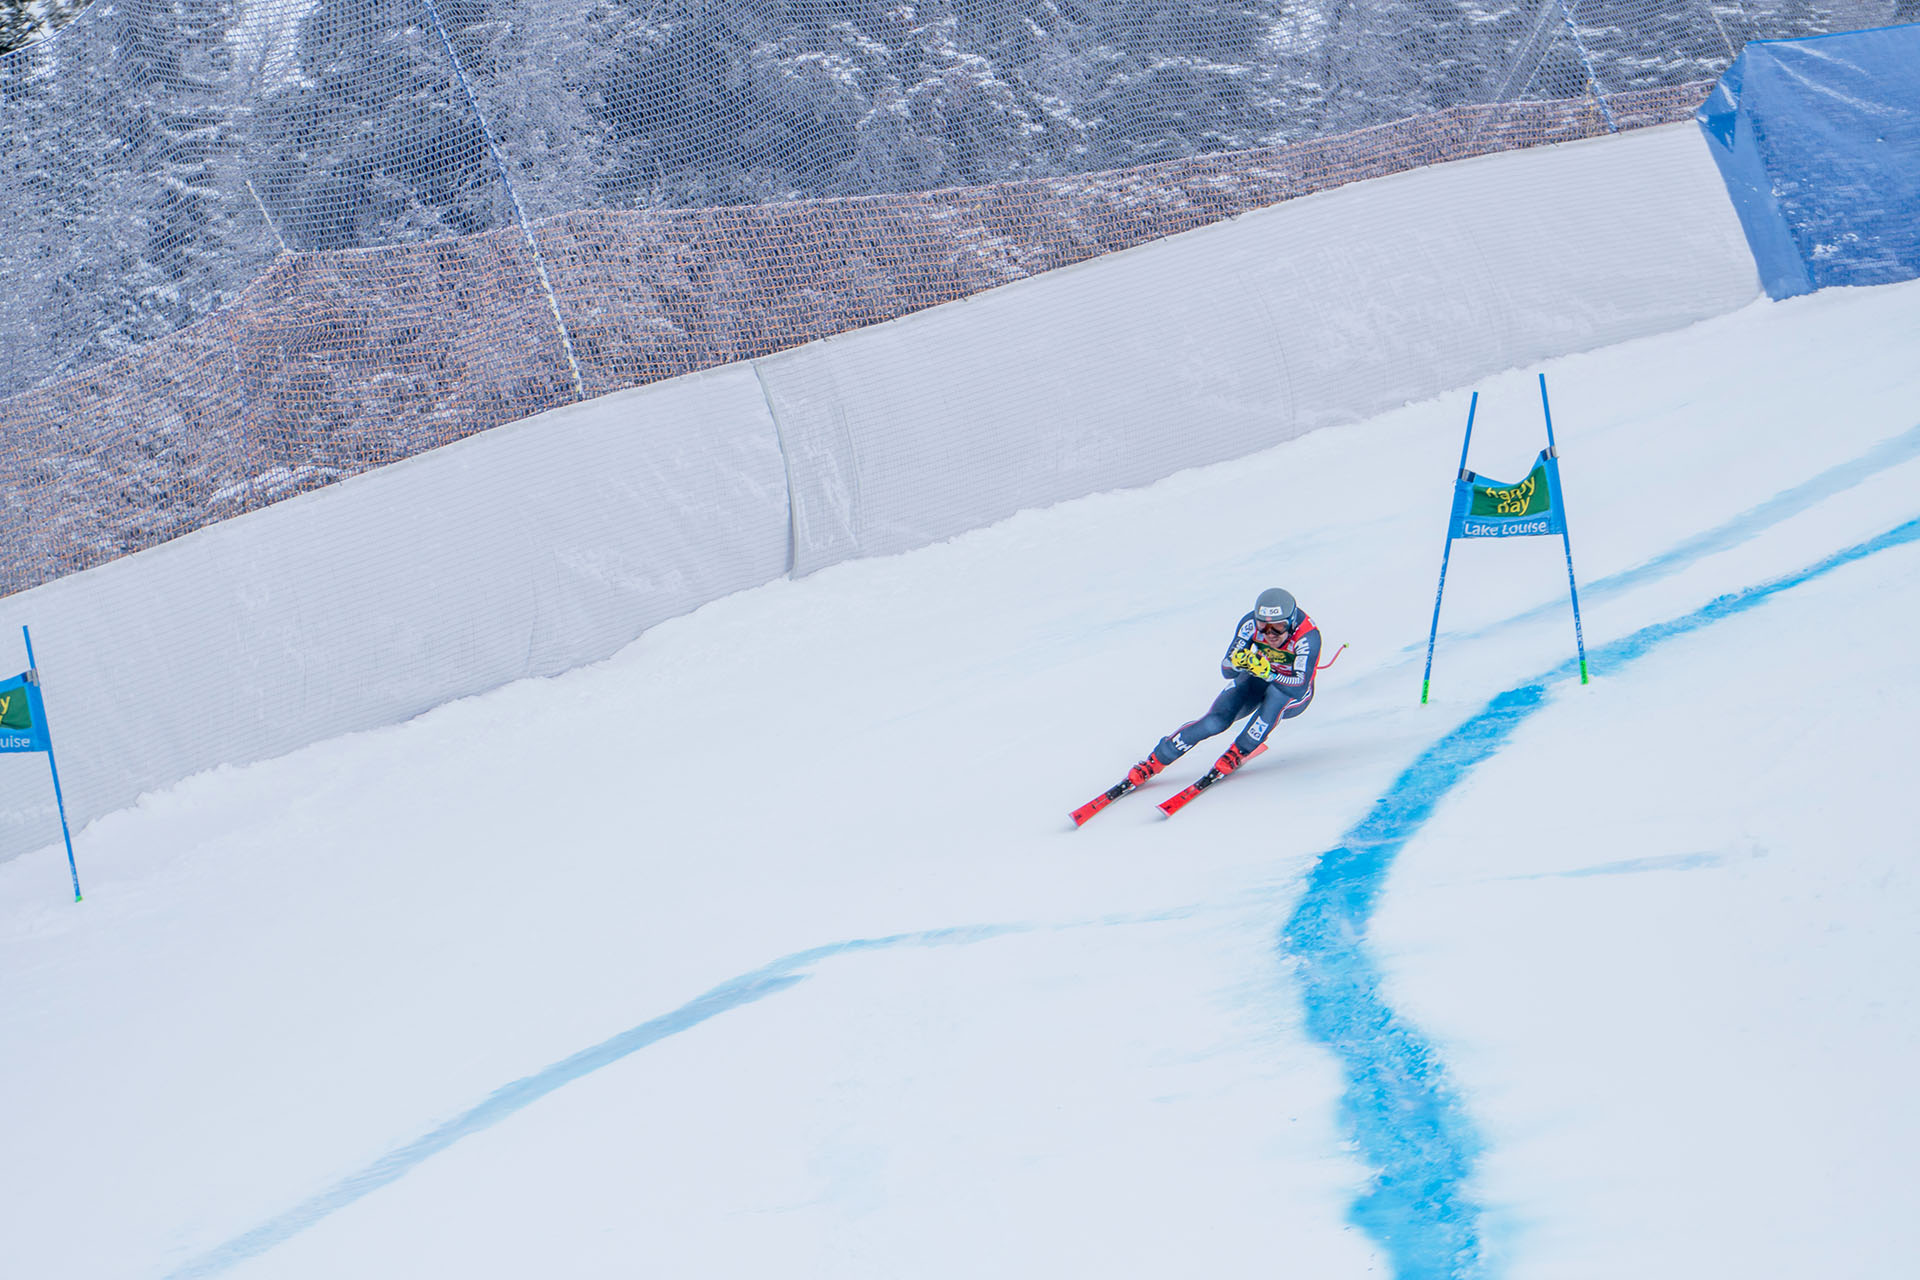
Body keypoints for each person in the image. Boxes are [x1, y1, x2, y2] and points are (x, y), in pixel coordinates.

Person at [1126, 587, 1321, 787]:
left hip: (1291, 690)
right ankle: (1157, 759)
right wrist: (1238, 662)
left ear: (1291, 622)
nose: (1270, 634)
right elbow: (1227, 670)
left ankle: (1240, 750)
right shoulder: (1249, 624)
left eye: (1279, 627)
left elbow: (1299, 687)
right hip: (1260, 676)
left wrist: (1270, 674)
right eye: (1263, 626)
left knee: (1273, 703)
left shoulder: (1308, 637)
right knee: (1215, 721)